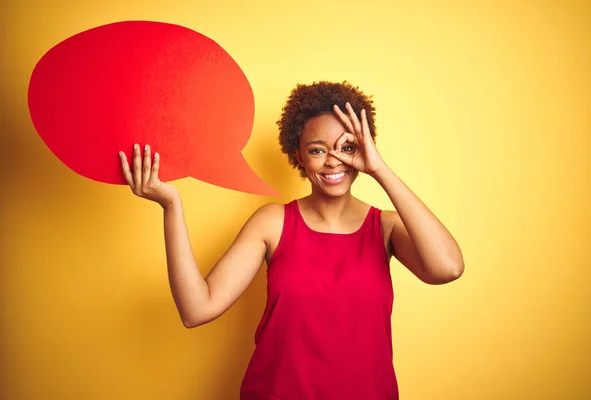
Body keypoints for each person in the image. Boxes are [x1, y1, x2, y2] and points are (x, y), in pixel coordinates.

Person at [118, 81, 464, 400]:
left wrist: (380, 169)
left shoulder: (386, 227)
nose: (333, 160)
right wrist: (171, 205)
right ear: (298, 156)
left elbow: (448, 268)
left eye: (347, 147)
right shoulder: (273, 223)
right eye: (317, 150)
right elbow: (197, 309)